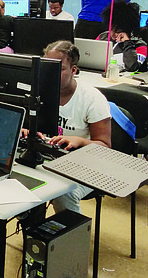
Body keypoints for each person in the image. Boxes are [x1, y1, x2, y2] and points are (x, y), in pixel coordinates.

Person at [43, 40, 111, 213]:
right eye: (47, 66)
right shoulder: (39, 91)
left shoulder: (92, 99)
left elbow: (105, 147)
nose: (51, 73)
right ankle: (34, 230)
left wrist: (79, 141)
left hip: (85, 163)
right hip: (48, 158)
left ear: (73, 70)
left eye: (60, 68)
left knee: (61, 191)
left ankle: (70, 236)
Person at [97, 0, 147, 72]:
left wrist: (127, 43)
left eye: (118, 31)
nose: (113, 34)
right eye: (112, 29)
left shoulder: (140, 46)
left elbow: (132, 67)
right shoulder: (103, 36)